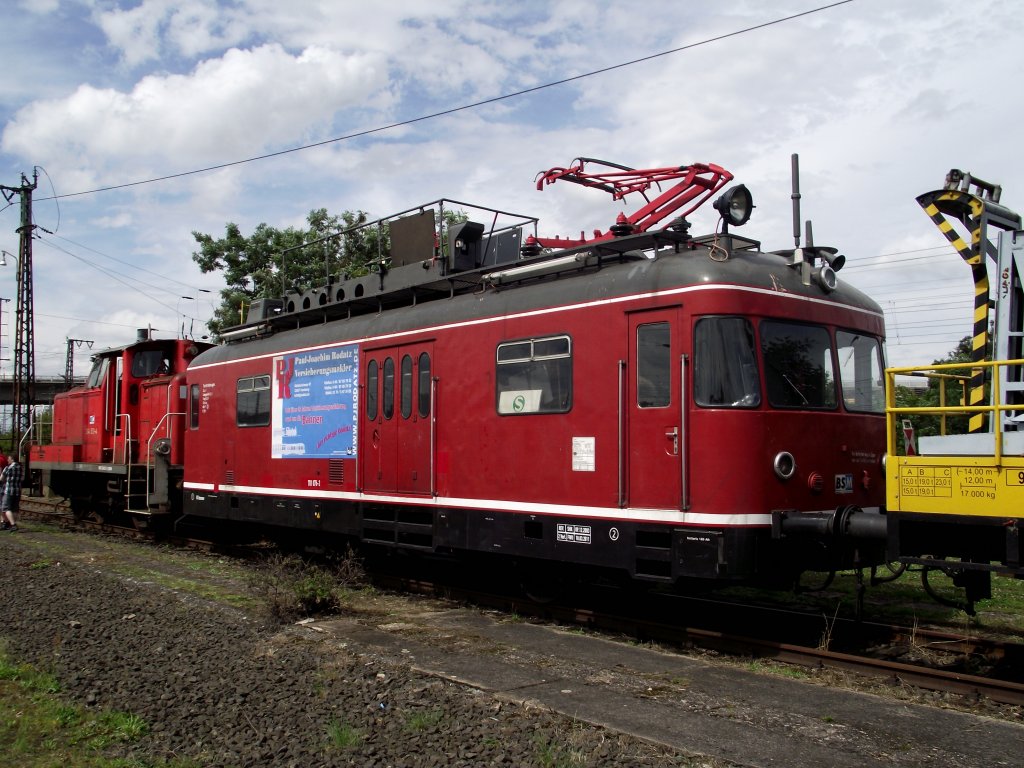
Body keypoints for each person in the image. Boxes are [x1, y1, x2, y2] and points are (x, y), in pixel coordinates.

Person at [1, 454, 22, 532]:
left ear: (12, 459)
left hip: (9, 490)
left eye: (8, 458)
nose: (7, 460)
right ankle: (8, 523)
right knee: (15, 509)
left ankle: (12, 525)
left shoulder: (8, 468)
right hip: (17, 491)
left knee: (5, 508)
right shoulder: (20, 467)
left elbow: (1, 479)